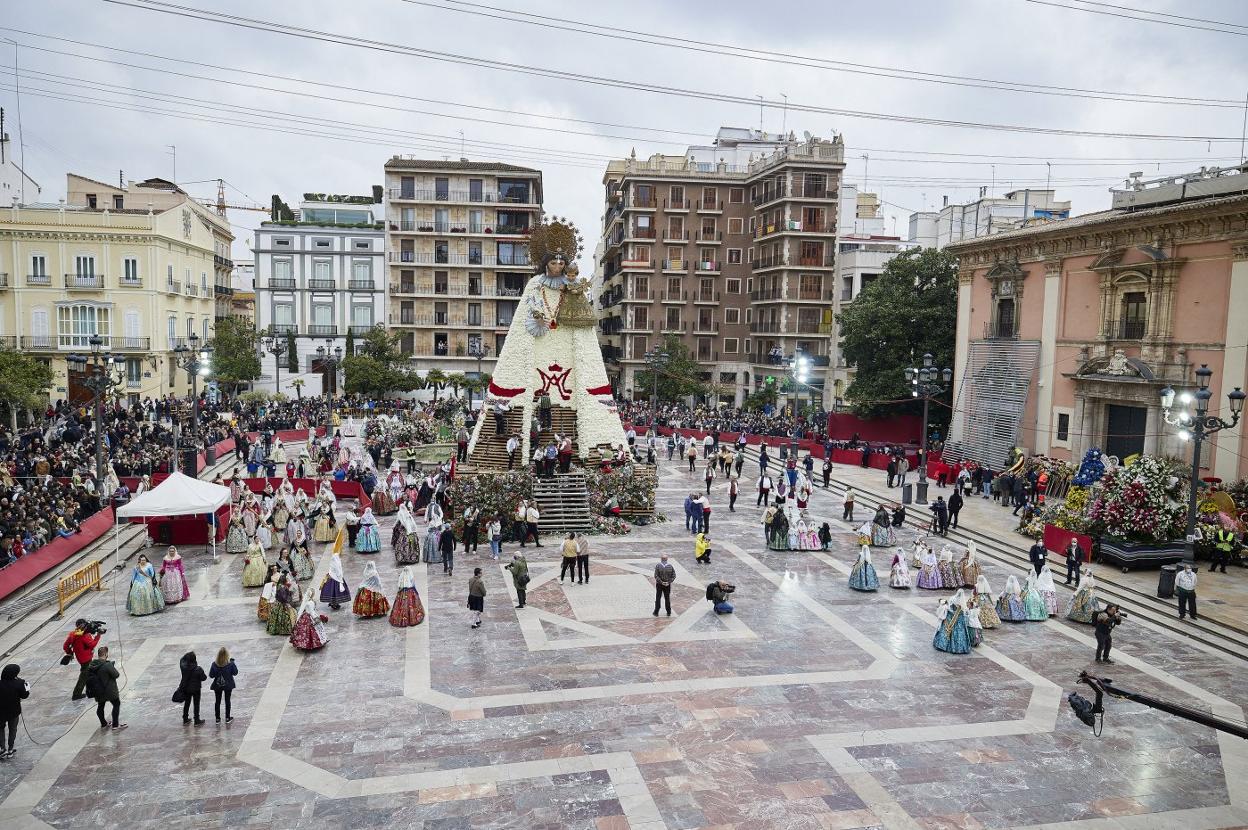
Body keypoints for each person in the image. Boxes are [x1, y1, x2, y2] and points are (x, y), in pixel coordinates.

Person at [86, 646, 124, 731]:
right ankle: (115, 725)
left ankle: (103, 723)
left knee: (100, 706)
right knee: (116, 704)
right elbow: (116, 675)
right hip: (109, 691)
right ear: (106, 654)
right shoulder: (107, 665)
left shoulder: (92, 665)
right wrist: (111, 666)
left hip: (98, 691)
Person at [64, 619, 100, 701]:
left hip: (80, 658)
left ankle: (91, 690)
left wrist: (69, 652)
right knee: (84, 676)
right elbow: (92, 644)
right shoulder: (84, 636)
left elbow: (65, 646)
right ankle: (76, 694)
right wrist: (98, 635)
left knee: (88, 673)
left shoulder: (72, 634)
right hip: (86, 658)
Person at [0, 663, 28, 758]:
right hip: (14, 711)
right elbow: (25, 695)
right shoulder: (19, 683)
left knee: (1, 729)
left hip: (1, 712)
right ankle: (10, 749)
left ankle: (2, 749)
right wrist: (25, 685)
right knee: (13, 730)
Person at [208, 648, 237, 724]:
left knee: (217, 701)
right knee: (227, 700)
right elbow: (235, 673)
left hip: (217, 686)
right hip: (228, 685)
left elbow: (211, 675)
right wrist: (233, 663)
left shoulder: (214, 664)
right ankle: (227, 718)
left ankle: (217, 719)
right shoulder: (230, 664)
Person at [178, 651, 207, 726]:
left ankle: (185, 719)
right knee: (196, 704)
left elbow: (182, 660)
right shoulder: (198, 669)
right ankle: (196, 720)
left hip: (186, 688)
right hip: (196, 689)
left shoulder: (184, 667)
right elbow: (204, 678)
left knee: (187, 703)